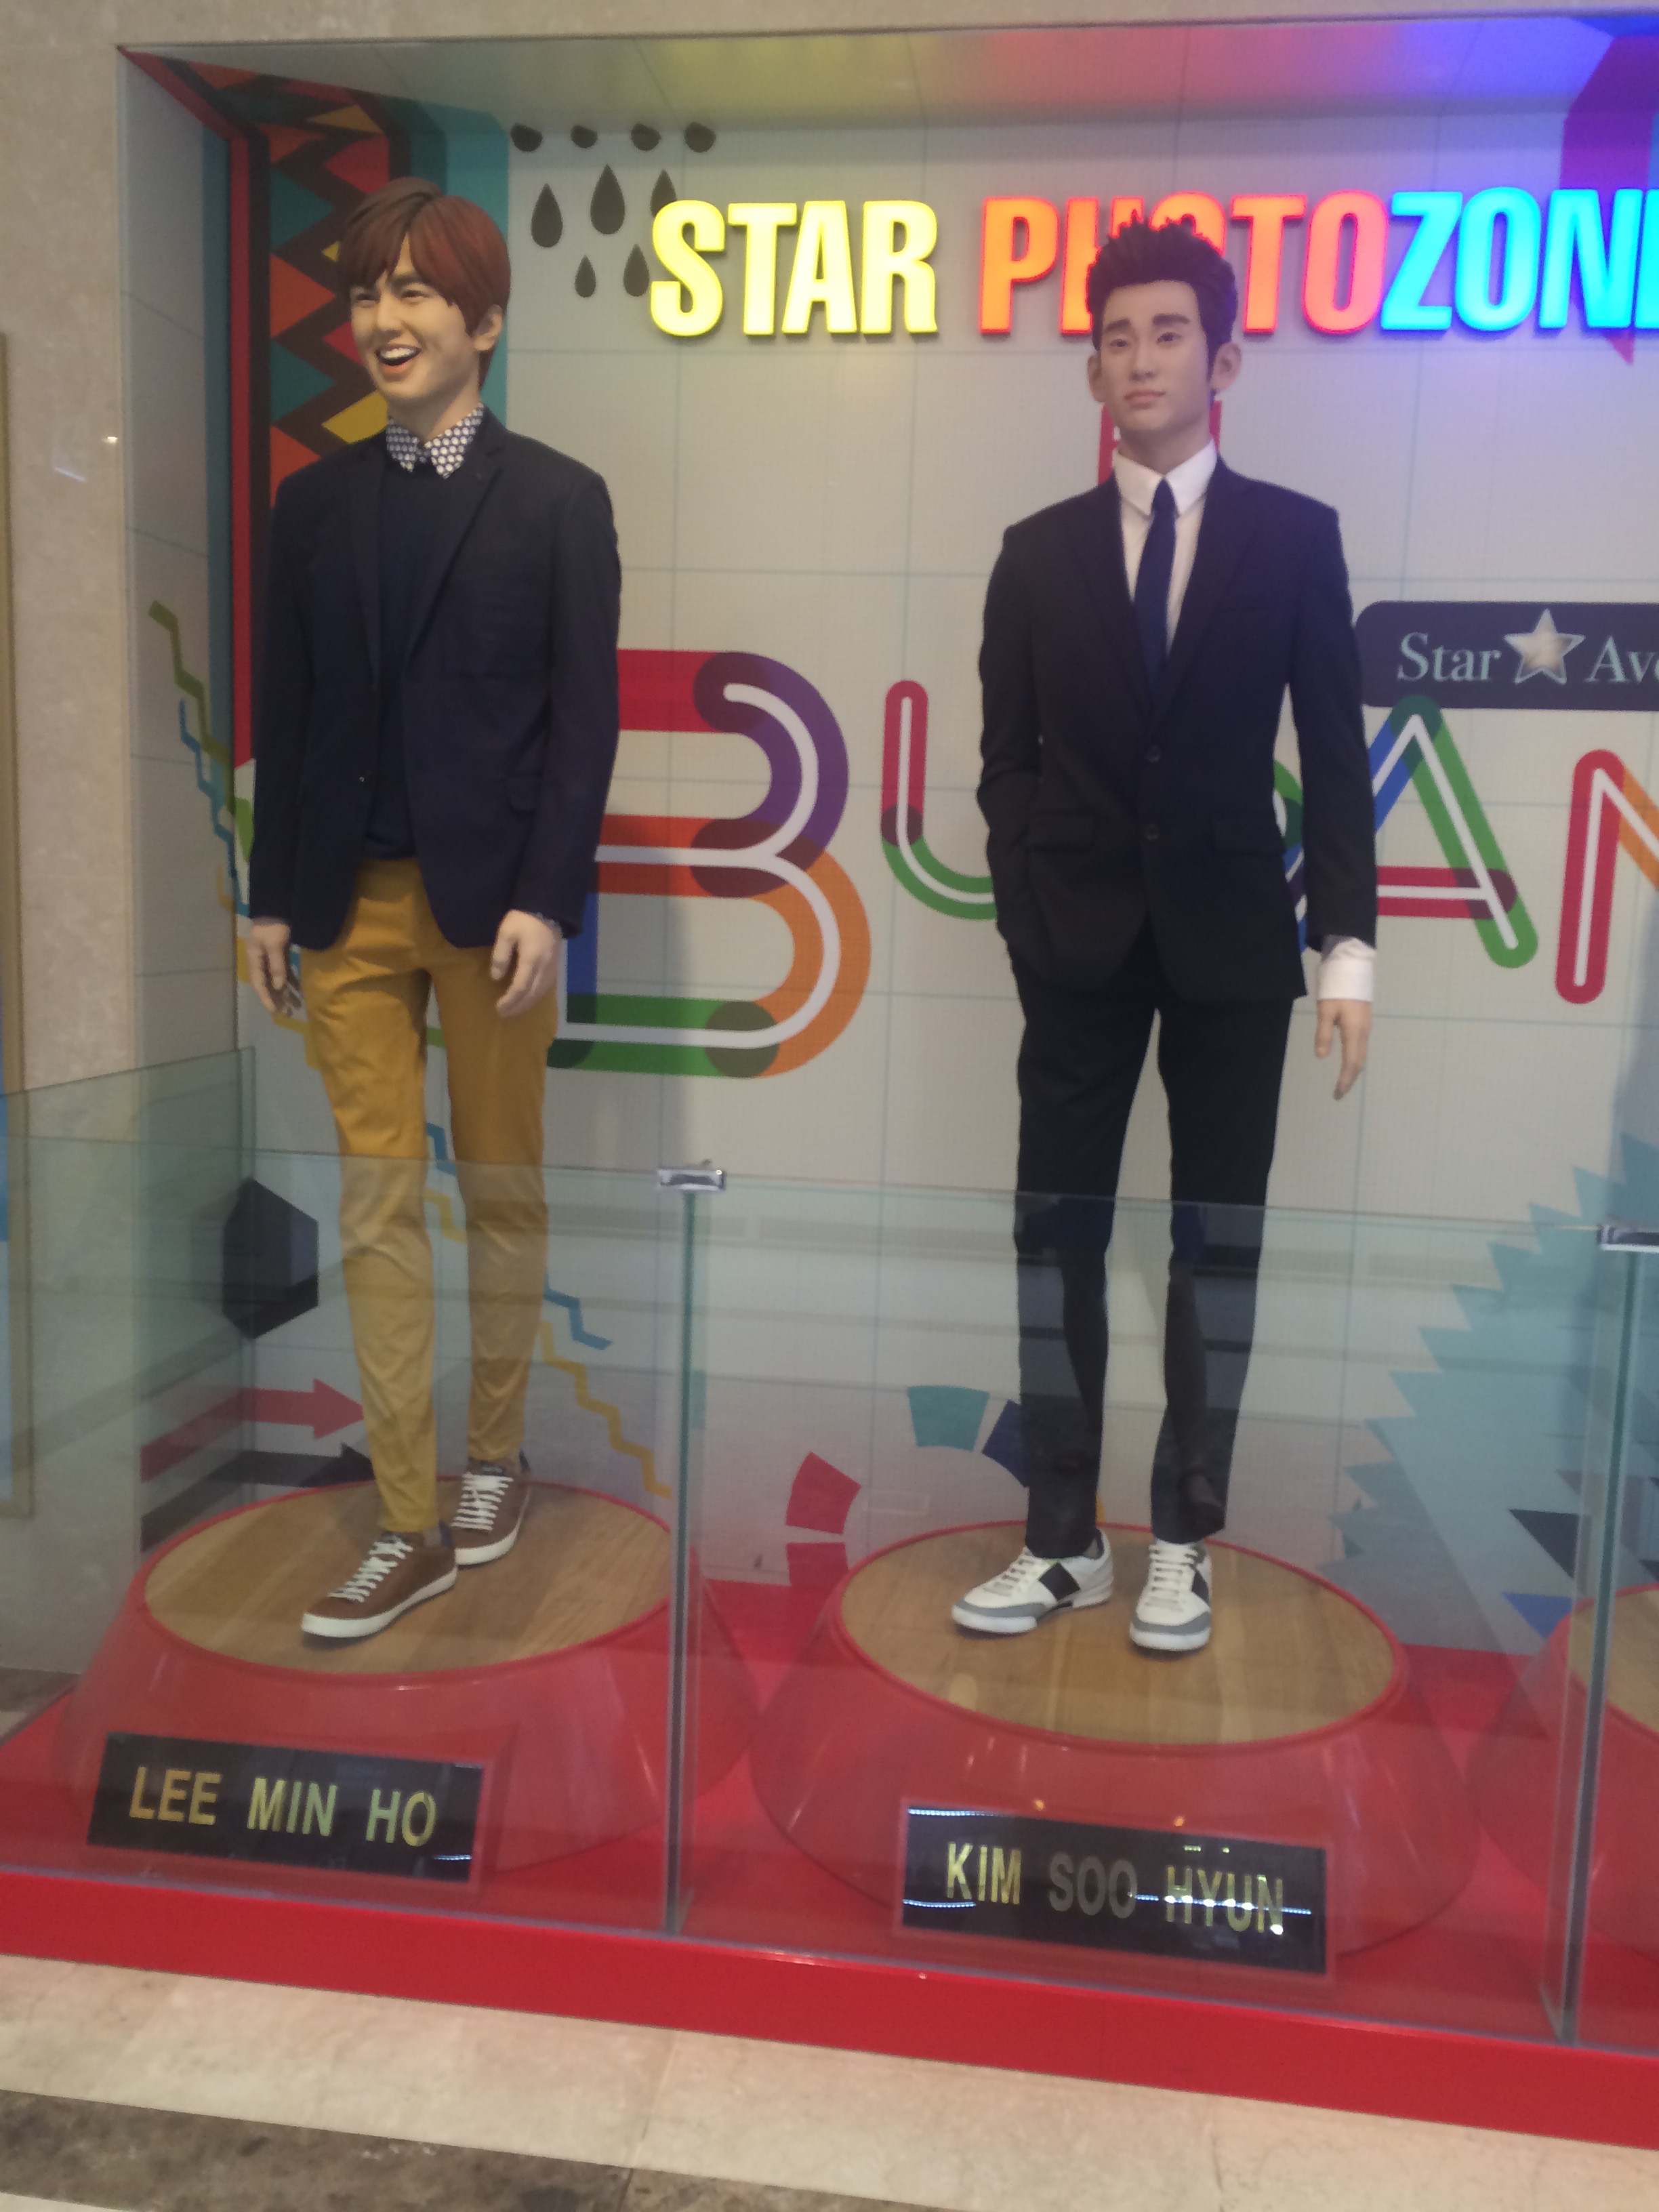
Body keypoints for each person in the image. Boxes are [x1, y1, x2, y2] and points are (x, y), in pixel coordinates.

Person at [953, 216, 1376, 1654]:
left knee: (1218, 1242)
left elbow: (1334, 757)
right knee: (1053, 1235)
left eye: (1170, 333)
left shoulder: (1295, 538)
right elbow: (1005, 762)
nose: (1142, 358)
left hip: (1236, 948)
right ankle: (1060, 1538)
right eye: (1118, 337)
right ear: (1093, 371)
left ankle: (1184, 1537)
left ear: (1225, 359)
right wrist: (1027, 917)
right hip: (1072, 948)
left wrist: (1349, 951)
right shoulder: (1035, 554)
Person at [247, 178, 621, 1642]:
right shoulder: (312, 504)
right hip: (344, 903)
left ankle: (494, 1458)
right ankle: (406, 1515)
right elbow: (287, 710)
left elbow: (583, 723)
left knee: (504, 1186)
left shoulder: (558, 499)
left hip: (494, 913)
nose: (383, 318)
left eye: (413, 290)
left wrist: (549, 897)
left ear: (485, 320)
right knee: (377, 1201)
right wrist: (271, 898)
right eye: (364, 293)